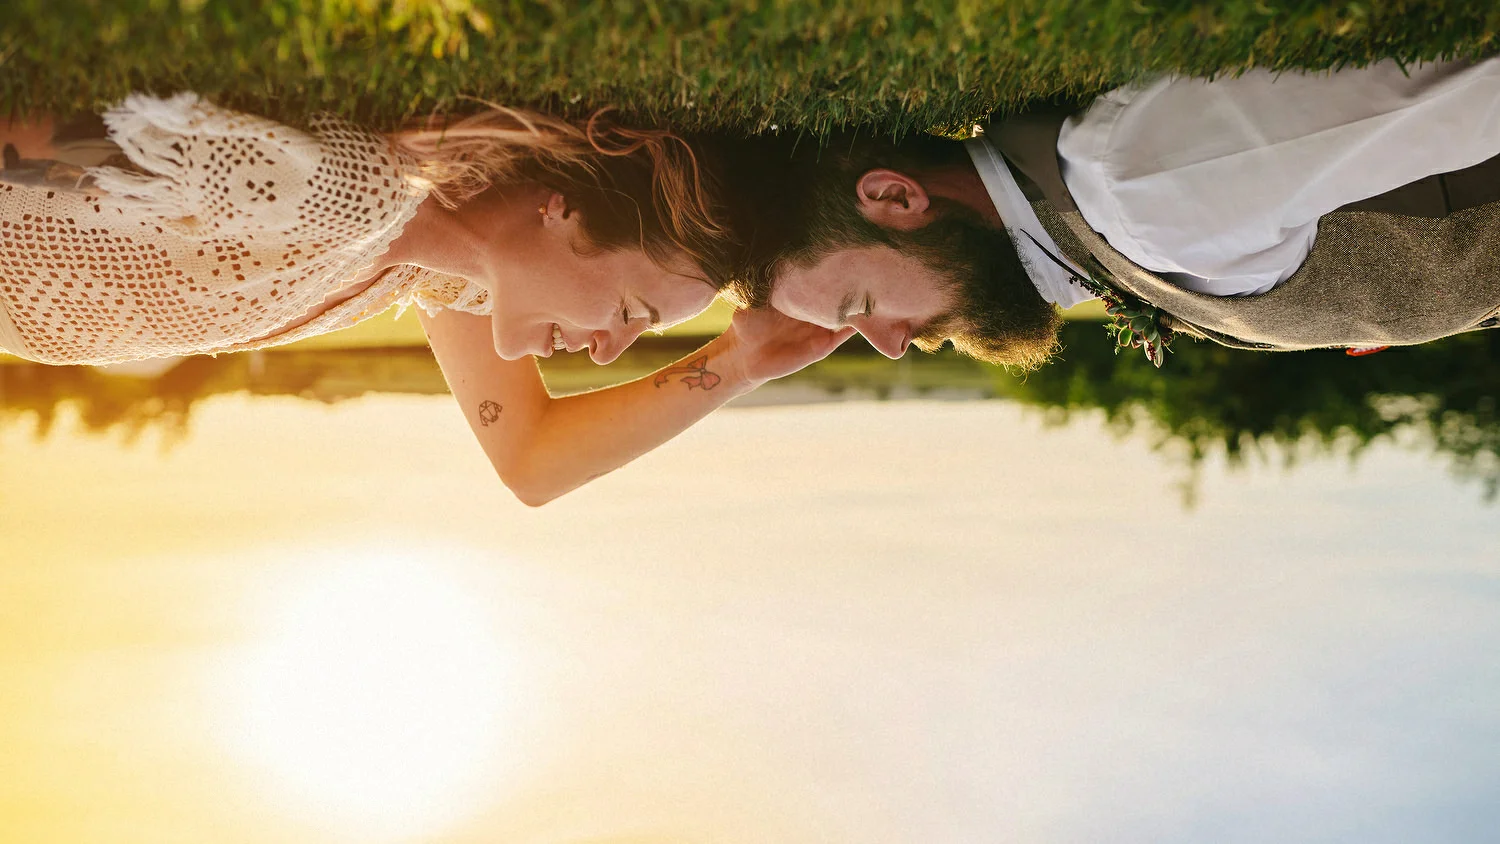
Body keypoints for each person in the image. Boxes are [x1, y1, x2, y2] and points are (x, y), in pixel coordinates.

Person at [0, 95, 852, 505]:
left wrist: (737, 363)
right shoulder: (354, 197)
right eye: (630, 312)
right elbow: (37, 137)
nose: (605, 349)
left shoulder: (437, 273)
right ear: (564, 212)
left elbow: (533, 462)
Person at [721, 57, 1500, 369]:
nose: (892, 346)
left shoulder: (1140, 191)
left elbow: (1459, 95)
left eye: (863, 307)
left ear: (895, 198)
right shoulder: (1111, 240)